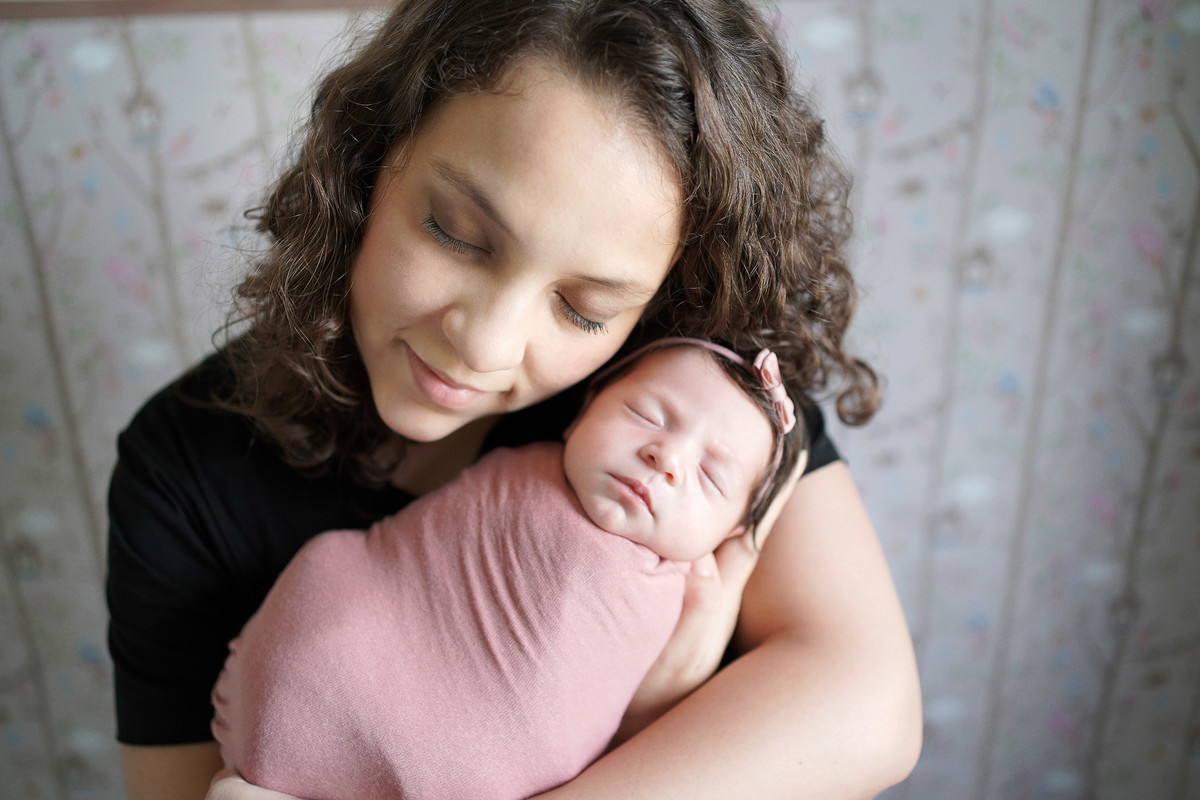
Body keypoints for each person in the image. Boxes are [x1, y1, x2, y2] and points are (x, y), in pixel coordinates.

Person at [105, 2, 922, 799]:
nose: (486, 345)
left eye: (583, 310)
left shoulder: (691, 400)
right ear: (369, 159)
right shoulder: (184, 466)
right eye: (456, 234)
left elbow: (870, 710)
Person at [211, 339, 807, 800]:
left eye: (711, 476)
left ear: (731, 531)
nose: (667, 456)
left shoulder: (692, 593)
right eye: (646, 415)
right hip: (327, 653)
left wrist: (719, 596)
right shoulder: (526, 460)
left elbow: (641, 716)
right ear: (582, 413)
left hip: (462, 764)